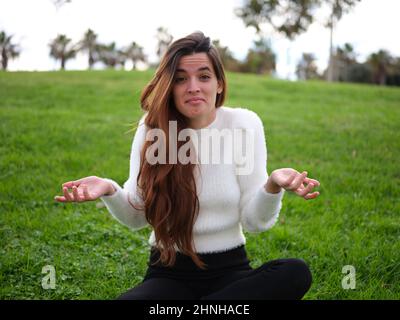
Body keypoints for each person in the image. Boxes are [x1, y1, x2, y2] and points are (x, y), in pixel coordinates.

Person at [54, 31, 320, 300]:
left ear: (219, 84)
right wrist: (109, 189)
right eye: (181, 79)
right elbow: (136, 216)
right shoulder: (152, 128)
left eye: (204, 76)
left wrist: (272, 185)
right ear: (170, 86)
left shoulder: (244, 125)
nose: (193, 86)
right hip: (168, 274)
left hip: (231, 273)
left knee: (295, 272)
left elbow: (255, 222)